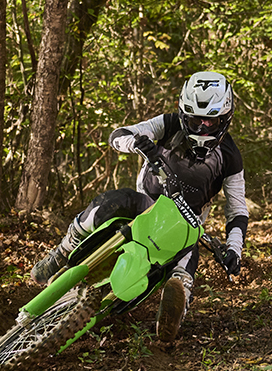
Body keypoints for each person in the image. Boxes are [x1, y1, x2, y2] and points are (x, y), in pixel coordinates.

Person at [31, 70, 248, 345]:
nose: (202, 128)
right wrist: (136, 143)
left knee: (187, 258)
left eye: (210, 121)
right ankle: (62, 252)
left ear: (224, 118)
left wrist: (234, 249)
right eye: (195, 120)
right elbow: (118, 135)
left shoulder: (230, 157)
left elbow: (237, 210)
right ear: (184, 114)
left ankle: (175, 305)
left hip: (183, 226)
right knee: (114, 201)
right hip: (146, 204)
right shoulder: (169, 124)